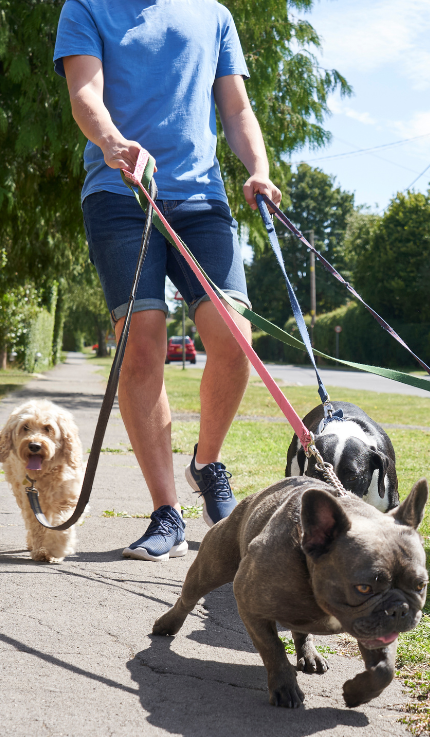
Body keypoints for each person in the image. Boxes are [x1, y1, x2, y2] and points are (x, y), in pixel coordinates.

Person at [54, 1, 281, 561]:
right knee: (144, 340)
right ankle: (167, 513)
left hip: (202, 198)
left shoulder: (214, 15)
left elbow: (236, 108)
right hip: (119, 193)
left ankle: (207, 464)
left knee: (234, 337)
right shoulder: (86, 6)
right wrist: (112, 145)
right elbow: (85, 93)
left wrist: (258, 169)